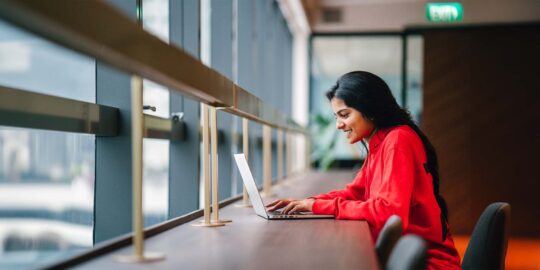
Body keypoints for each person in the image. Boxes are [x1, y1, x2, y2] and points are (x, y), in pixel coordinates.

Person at [266, 71, 462, 269]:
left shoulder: (398, 140)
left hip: (425, 263)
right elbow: (355, 192)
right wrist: (310, 203)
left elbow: (390, 212)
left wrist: (320, 206)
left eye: (345, 115)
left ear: (370, 109)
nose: (338, 125)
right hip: (402, 255)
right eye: (336, 116)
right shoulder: (381, 142)